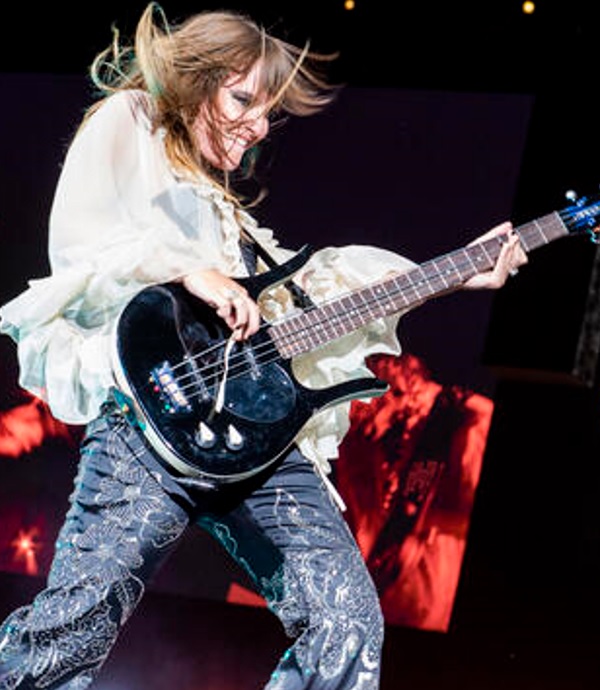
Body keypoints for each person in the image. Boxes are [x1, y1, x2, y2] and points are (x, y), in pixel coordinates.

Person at [0, 4, 526, 688]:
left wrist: (458, 270)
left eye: (266, 111)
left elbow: (328, 288)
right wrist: (187, 270)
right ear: (194, 79)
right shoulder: (130, 121)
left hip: (257, 445)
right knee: (71, 628)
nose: (257, 124)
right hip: (146, 427)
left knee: (347, 621)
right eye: (242, 98)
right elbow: (82, 243)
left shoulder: (228, 218)